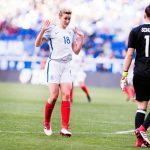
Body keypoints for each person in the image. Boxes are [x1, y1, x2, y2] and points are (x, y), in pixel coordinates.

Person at [35, 8, 84, 137]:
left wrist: (81, 38)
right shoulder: (51, 29)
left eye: (69, 19)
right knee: (54, 96)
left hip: (67, 65)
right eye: (65, 18)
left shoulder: (71, 31)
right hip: (54, 65)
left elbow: (76, 51)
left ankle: (64, 128)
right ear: (60, 17)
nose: (67, 21)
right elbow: (37, 44)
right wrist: (42, 30)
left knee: (66, 95)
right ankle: (46, 123)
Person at [120, 4, 150, 147]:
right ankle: (142, 129)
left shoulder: (135, 31)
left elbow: (130, 54)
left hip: (139, 73)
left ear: (145, 14)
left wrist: (124, 74)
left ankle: (139, 141)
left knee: (141, 107)